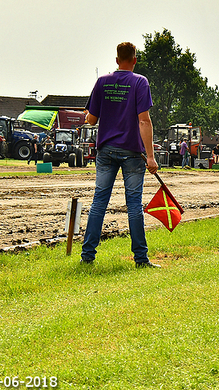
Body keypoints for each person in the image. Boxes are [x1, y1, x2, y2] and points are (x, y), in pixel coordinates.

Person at [80, 42, 160, 268]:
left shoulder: (102, 82)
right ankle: (141, 259)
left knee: (99, 202)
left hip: (106, 150)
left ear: (116, 60)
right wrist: (151, 157)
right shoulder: (140, 82)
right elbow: (144, 120)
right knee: (134, 205)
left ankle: (88, 256)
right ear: (134, 60)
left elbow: (92, 120)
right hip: (132, 153)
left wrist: (87, 116)